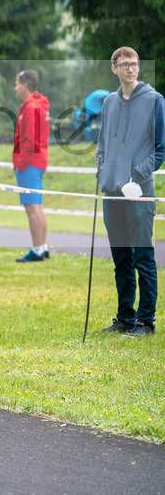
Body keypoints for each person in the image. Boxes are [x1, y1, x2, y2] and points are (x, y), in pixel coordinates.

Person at [95, 47, 163, 337]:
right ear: (114, 69)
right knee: (121, 258)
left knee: (142, 256)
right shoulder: (109, 102)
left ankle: (145, 322)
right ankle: (125, 318)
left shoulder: (154, 100)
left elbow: (161, 149)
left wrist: (137, 176)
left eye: (134, 64)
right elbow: (102, 144)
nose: (131, 69)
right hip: (111, 193)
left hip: (139, 192)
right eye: (124, 65)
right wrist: (101, 171)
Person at [12, 70, 50, 262]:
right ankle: (42, 247)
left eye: (17, 84)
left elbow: (30, 139)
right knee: (38, 206)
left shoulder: (31, 106)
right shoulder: (37, 104)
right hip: (37, 160)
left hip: (30, 163)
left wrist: (20, 162)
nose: (15, 88)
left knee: (32, 207)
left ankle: (37, 250)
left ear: (25, 85)